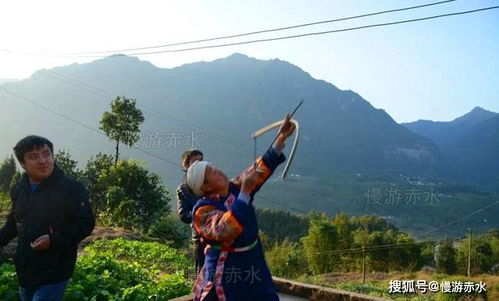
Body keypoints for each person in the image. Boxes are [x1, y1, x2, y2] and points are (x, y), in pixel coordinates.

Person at [186, 114, 296, 301]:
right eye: (212, 172)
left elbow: (258, 170)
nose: (219, 171)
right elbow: (224, 229)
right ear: (205, 186)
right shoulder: (202, 210)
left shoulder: (234, 187)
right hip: (227, 271)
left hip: (254, 262)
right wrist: (245, 192)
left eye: (214, 167)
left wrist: (280, 139)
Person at [0, 135, 95, 301]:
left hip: (55, 269)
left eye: (46, 154)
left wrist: (53, 239)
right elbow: (14, 222)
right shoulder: (20, 188)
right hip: (26, 267)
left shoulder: (70, 187)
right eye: (34, 157)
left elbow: (86, 222)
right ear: (23, 164)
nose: (43, 161)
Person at [176, 149, 205, 274]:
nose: (198, 164)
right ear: (186, 165)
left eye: (201, 161)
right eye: (194, 161)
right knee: (203, 275)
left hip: (219, 237)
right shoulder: (183, 189)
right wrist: (199, 214)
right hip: (200, 238)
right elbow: (183, 215)